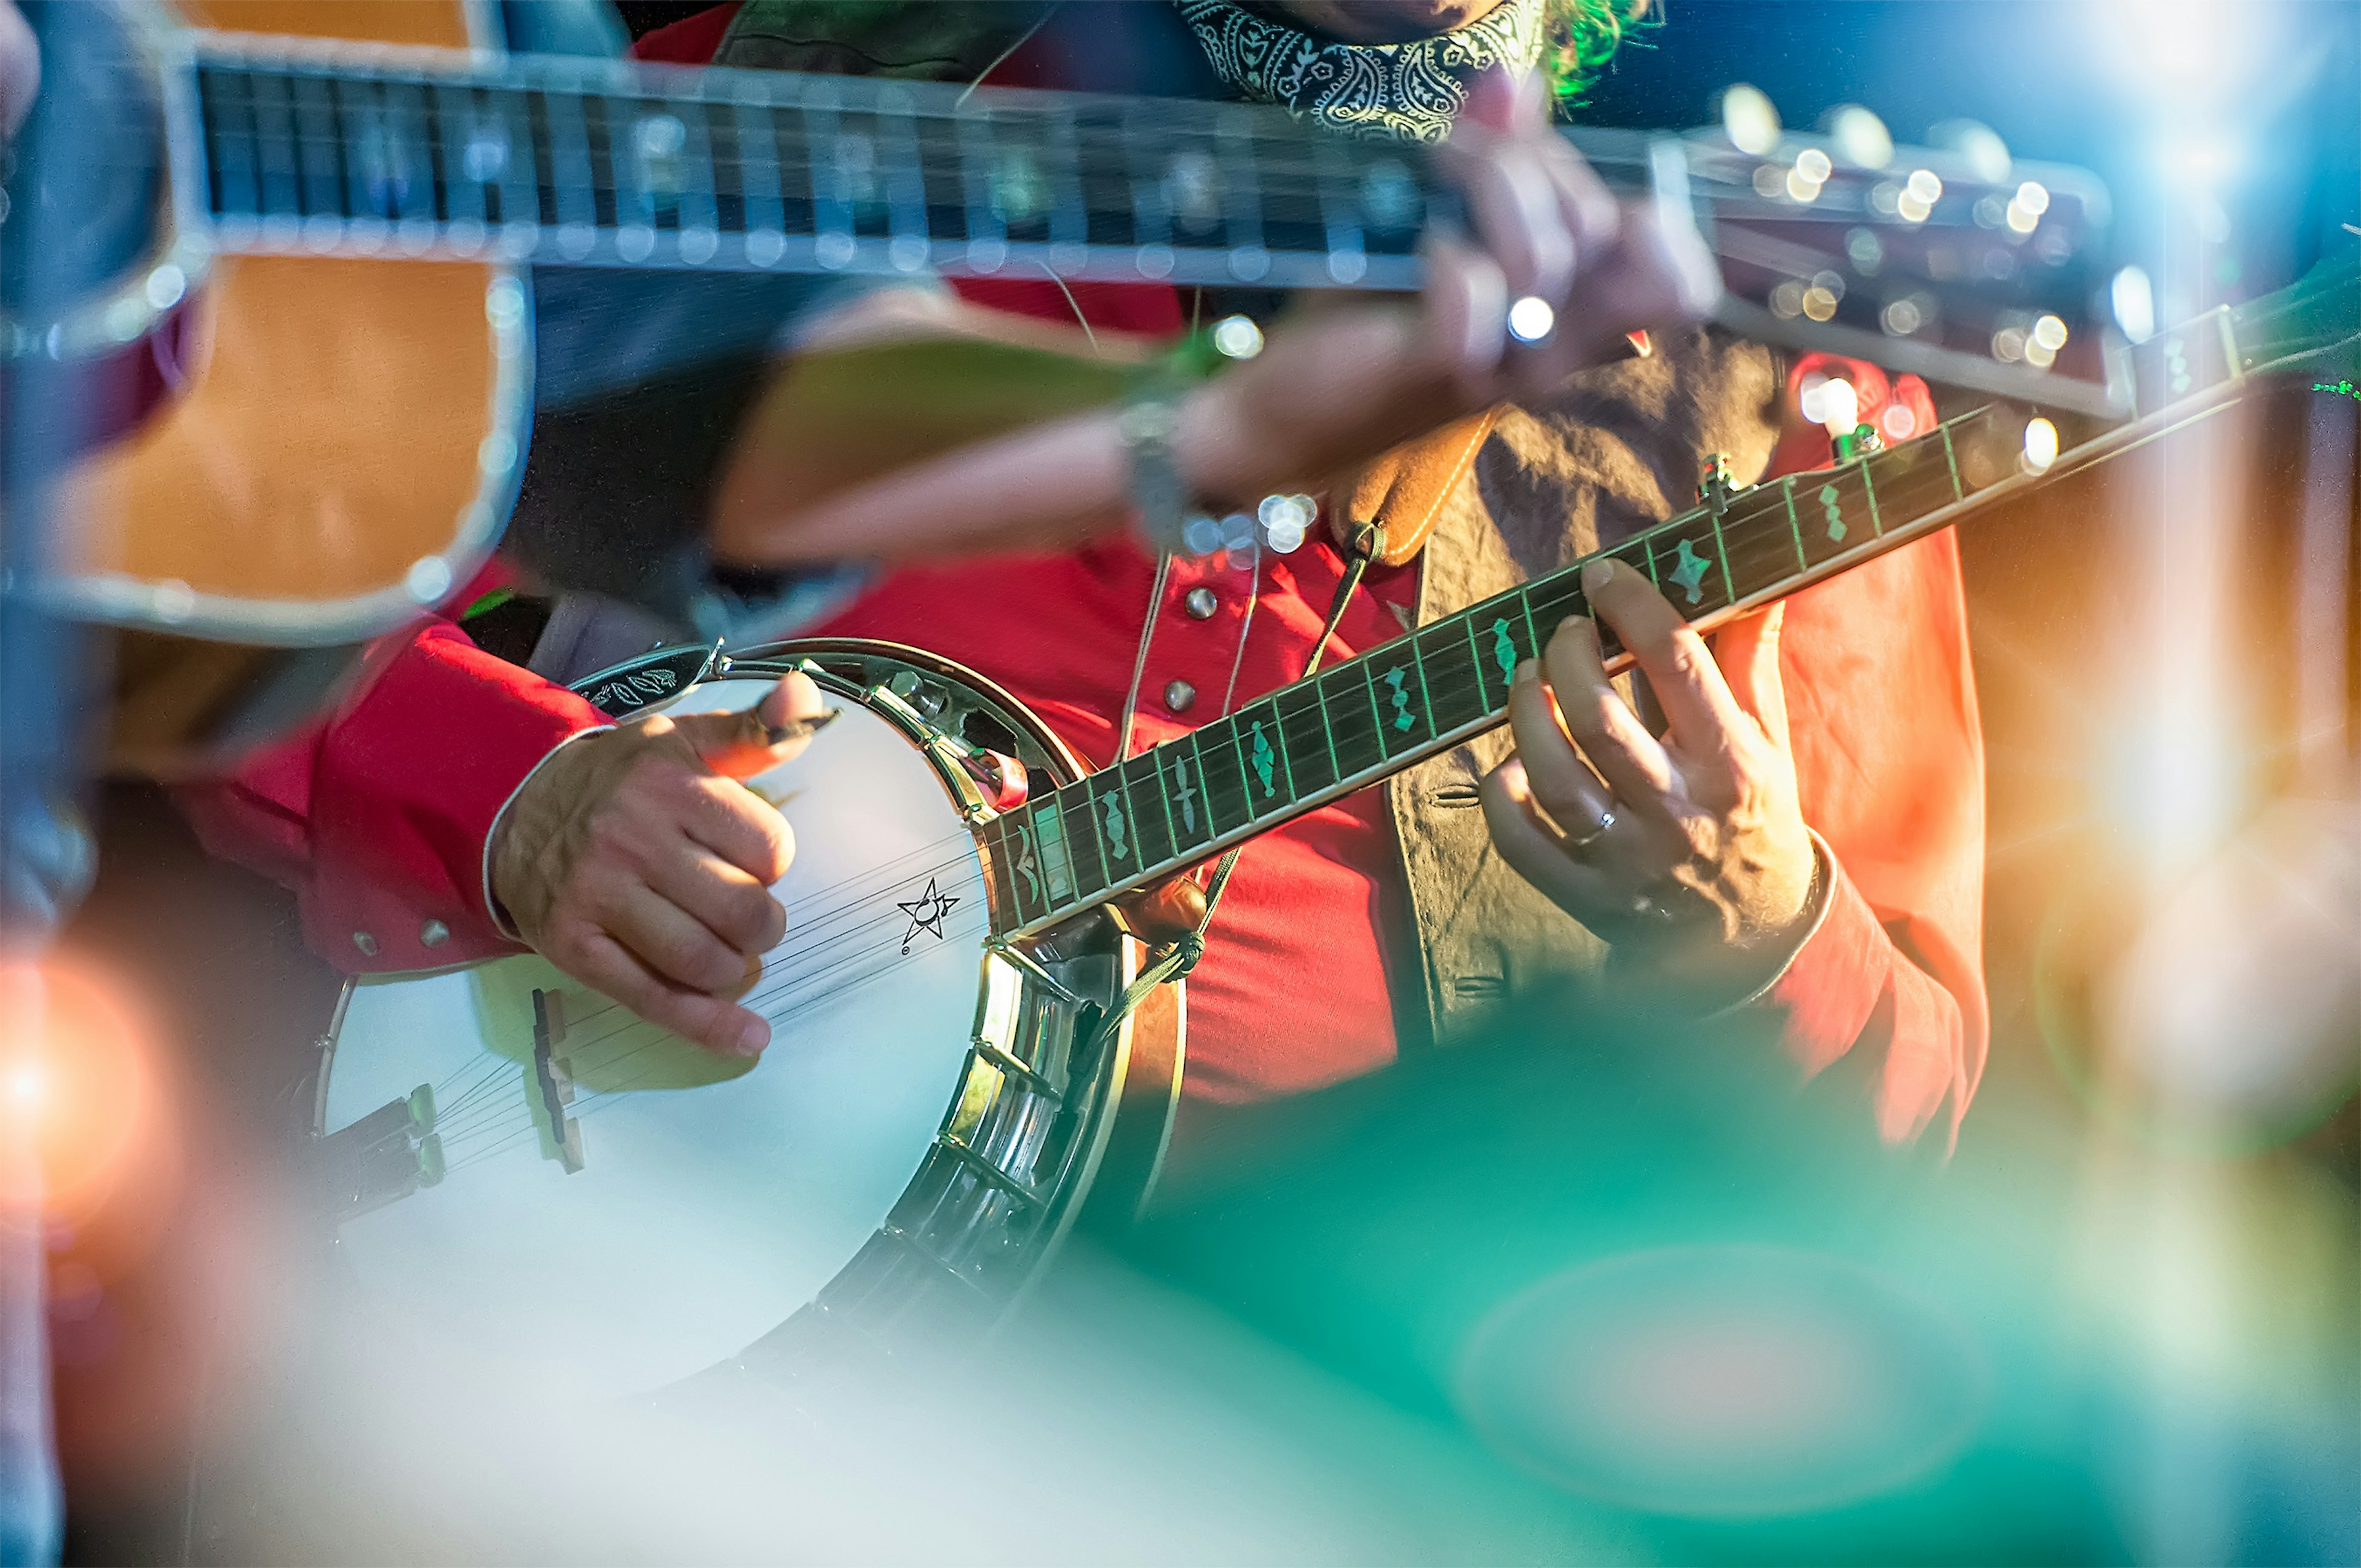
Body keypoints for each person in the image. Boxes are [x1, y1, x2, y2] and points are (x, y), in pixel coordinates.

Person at [184, 0, 1983, 1157]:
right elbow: (201, 545)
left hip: (1276, 1406)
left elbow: (1918, 1106)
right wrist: (518, 794)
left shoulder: (1792, 382)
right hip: (597, 1285)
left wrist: (1762, 929)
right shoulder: (780, 103)